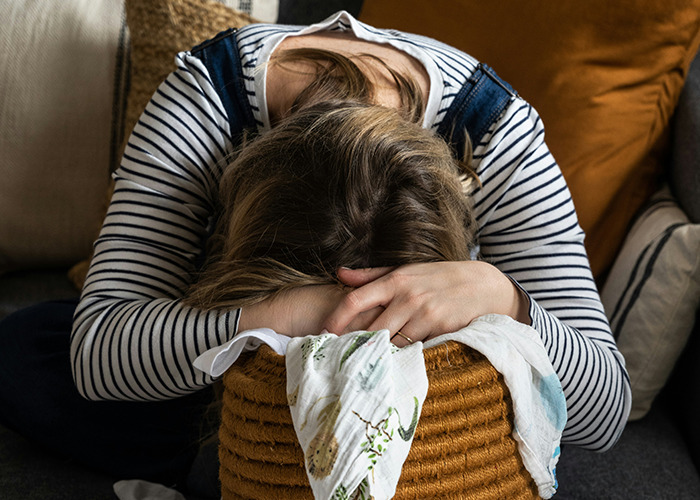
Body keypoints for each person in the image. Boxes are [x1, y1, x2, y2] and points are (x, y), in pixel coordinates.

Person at [0, 9, 631, 492]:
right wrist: (283, 318)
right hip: (223, 363)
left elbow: (606, 413)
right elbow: (99, 352)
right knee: (25, 349)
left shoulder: (496, 132)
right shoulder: (206, 100)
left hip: (424, 387)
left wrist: (503, 298)